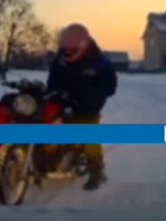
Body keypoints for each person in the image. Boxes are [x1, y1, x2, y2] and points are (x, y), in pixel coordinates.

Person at [47, 23, 118, 191]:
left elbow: (110, 87)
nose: (67, 53)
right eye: (65, 50)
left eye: (71, 50)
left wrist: (93, 94)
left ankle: (96, 169)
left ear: (83, 45)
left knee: (89, 132)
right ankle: (47, 157)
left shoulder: (100, 62)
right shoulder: (60, 59)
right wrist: (53, 93)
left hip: (88, 103)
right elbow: (53, 79)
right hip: (63, 99)